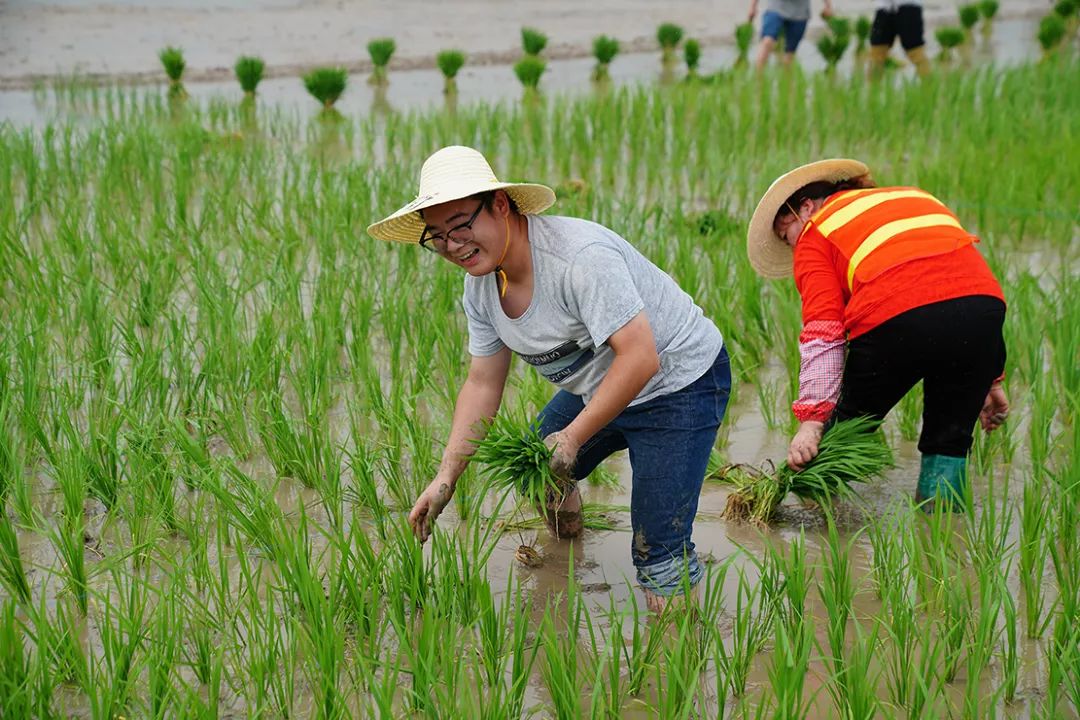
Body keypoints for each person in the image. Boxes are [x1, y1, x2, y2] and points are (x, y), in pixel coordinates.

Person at [367, 145, 731, 612]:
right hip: (604, 383)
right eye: (436, 235)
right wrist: (445, 478)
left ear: (500, 205)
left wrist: (575, 436)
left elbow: (640, 359)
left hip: (679, 383)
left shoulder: (579, 259)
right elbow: (482, 382)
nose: (452, 245)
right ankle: (569, 555)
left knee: (657, 548)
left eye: (461, 224)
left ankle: (675, 662)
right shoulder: (480, 284)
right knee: (537, 469)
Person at [746, 159, 1008, 510]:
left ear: (805, 207)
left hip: (897, 317)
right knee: (949, 443)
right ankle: (945, 543)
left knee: (838, 438)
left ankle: (815, 539)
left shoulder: (817, 231)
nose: (793, 248)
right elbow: (959, 282)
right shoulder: (916, 197)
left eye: (786, 235)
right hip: (983, 313)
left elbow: (823, 331)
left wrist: (812, 421)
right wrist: (989, 379)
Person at [748, 0, 833, 71]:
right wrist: (752, 6)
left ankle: (786, 87)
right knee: (767, 42)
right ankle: (757, 84)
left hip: (799, 13)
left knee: (789, 56)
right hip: (776, 7)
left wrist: (828, 6)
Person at [868, 0, 931, 77]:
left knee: (914, 49)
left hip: (908, 7)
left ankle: (930, 85)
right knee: (877, 50)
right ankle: (873, 87)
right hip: (884, 7)